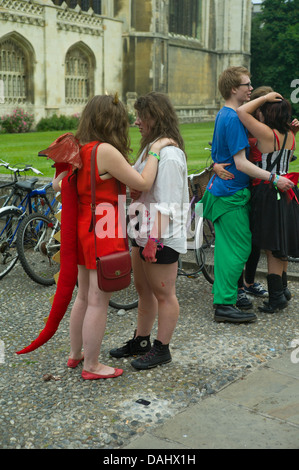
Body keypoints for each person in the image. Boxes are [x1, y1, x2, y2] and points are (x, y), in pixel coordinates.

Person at [52, 94, 175, 380]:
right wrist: (155, 152)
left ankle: (76, 355)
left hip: (83, 228)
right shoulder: (104, 150)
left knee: (82, 297)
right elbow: (143, 182)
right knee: (98, 299)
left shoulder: (78, 148)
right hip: (102, 230)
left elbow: (57, 184)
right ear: (112, 121)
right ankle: (92, 365)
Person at [199, 66, 294, 323]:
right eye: (247, 85)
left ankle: (227, 299)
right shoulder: (232, 117)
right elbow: (241, 163)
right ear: (233, 89)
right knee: (236, 249)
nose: (251, 89)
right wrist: (274, 177)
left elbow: (227, 155)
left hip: (229, 192)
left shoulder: (227, 115)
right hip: (229, 194)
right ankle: (224, 304)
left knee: (236, 248)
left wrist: (216, 165)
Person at [109, 92, 189, 369]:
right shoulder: (151, 149)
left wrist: (154, 240)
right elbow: (137, 182)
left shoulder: (168, 155)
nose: (137, 121)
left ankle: (162, 349)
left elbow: (167, 204)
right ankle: (141, 340)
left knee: (164, 293)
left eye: (142, 116)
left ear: (156, 117)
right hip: (142, 228)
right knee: (143, 289)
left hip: (160, 235)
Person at [237, 90, 299, 313]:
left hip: (268, 189)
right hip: (288, 189)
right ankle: (282, 290)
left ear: (268, 113)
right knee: (281, 243)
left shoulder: (266, 133)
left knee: (272, 246)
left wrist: (263, 98)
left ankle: (276, 298)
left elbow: (240, 111)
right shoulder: (290, 134)